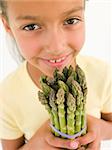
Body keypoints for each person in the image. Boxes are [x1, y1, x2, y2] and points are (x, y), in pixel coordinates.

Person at [0, 0, 112, 150]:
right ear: (7, 24)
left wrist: (100, 129)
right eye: (31, 26)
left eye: (71, 20)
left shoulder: (103, 75)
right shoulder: (6, 97)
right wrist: (35, 145)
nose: (56, 47)